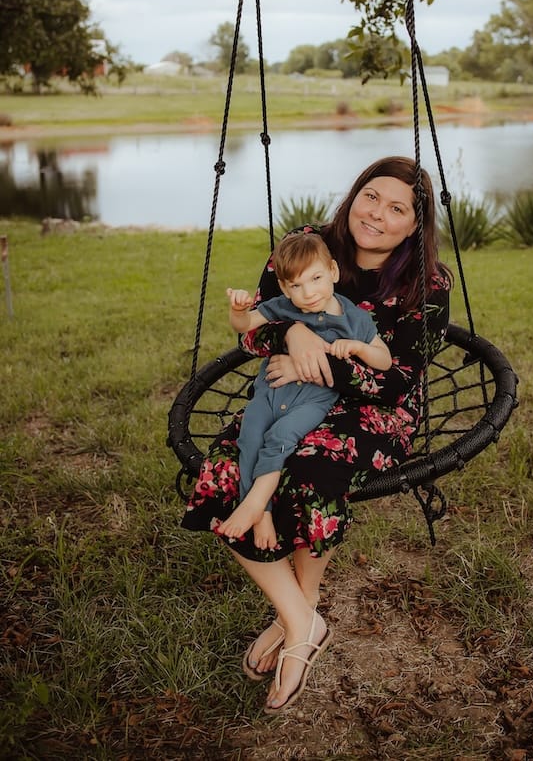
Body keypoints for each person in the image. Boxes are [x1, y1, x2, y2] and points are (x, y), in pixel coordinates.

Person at [181, 156, 452, 714]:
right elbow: (257, 334)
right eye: (371, 196)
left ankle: (297, 618)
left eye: (397, 208)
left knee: (310, 471)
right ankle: (302, 620)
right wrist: (294, 333)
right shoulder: (304, 245)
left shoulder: (427, 284)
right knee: (227, 472)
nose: (377, 214)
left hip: (378, 411)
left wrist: (313, 356)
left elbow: (398, 376)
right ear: (355, 194)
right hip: (287, 397)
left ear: (415, 225)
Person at [219, 231, 392, 551]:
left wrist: (358, 347)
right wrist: (239, 309)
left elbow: (383, 360)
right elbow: (244, 326)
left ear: (333, 272)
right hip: (270, 391)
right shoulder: (284, 307)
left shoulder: (355, 318)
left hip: (312, 401)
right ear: (285, 288)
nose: (308, 292)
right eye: (296, 285)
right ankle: (263, 514)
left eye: (315, 278)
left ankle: (254, 503)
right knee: (250, 438)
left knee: (280, 438)